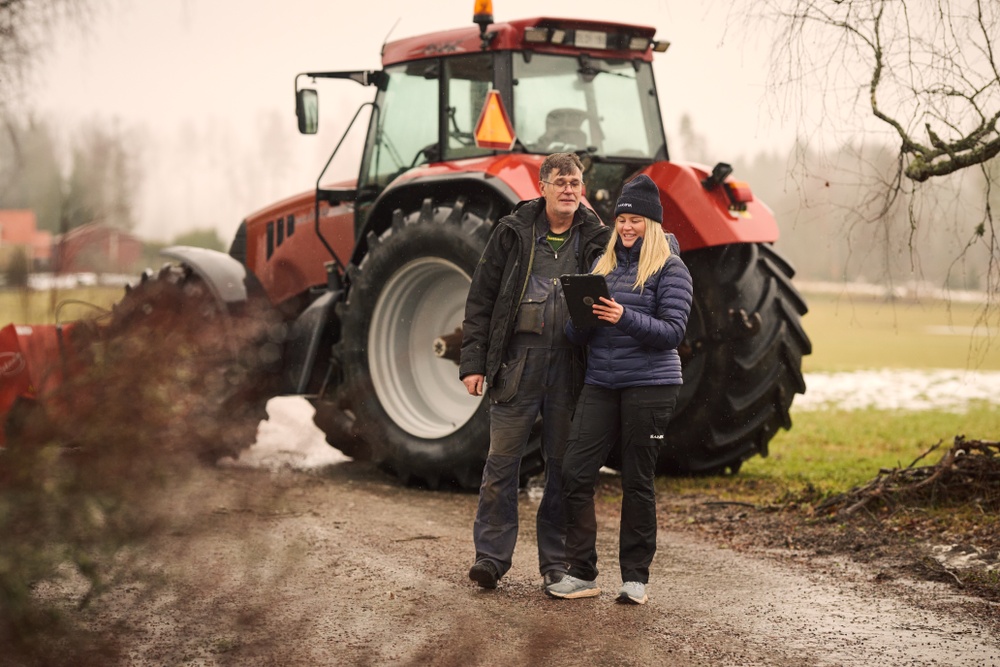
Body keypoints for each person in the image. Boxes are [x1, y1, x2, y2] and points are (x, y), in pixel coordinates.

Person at [459, 152, 611, 590]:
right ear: (541, 187)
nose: (568, 190)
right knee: (501, 466)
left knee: (562, 470)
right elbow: (481, 301)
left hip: (571, 370)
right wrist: (473, 363)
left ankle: (556, 565)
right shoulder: (513, 234)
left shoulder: (597, 240)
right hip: (517, 366)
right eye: (560, 182)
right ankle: (490, 558)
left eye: (575, 183)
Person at [545, 174, 693, 605]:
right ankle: (583, 572)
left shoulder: (671, 268)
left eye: (637, 219)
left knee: (637, 479)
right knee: (574, 471)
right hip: (602, 383)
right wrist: (581, 317)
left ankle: (635, 579)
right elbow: (578, 335)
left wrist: (620, 315)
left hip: (651, 385)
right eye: (622, 219)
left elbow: (672, 332)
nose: (627, 227)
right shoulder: (602, 266)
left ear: (653, 224)